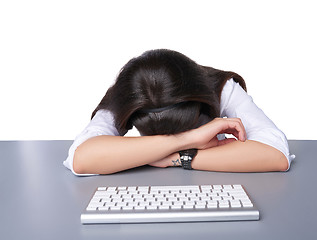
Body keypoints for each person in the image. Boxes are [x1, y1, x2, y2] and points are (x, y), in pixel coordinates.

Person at [64, 49, 295, 176]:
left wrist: (176, 158)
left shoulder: (218, 86)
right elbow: (81, 158)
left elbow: (276, 153)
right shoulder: (126, 96)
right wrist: (190, 139)